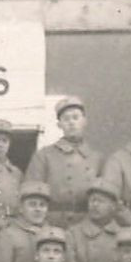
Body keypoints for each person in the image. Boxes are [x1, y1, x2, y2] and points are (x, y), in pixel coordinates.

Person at [25, 97, 100, 228]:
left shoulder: (97, 158)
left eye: (75, 118)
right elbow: (30, 194)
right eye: (66, 119)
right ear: (59, 124)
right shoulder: (44, 155)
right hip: (52, 224)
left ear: (84, 121)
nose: (71, 122)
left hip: (87, 225)